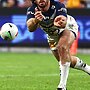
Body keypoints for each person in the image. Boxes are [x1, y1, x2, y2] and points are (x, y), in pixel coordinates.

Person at [26, 0, 90, 90]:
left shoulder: (58, 5)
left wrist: (60, 22)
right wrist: (36, 20)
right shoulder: (32, 9)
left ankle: (62, 86)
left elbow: (63, 22)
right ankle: (87, 68)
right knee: (66, 60)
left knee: (62, 47)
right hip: (52, 35)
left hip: (67, 27)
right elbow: (30, 28)